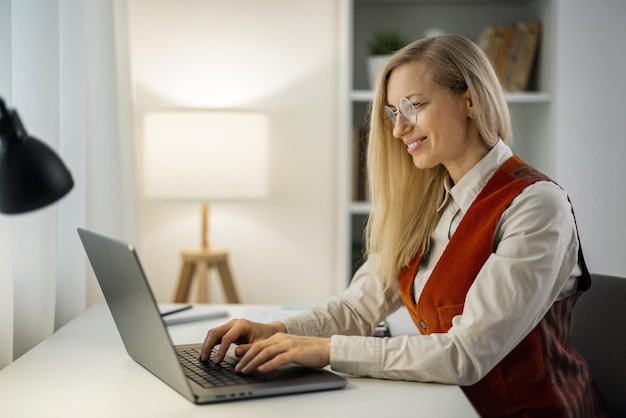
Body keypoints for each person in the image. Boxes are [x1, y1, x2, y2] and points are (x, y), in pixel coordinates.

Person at [200, 34, 608, 417]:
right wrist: (278, 330)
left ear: (470, 99)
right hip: (447, 407)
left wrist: (323, 350)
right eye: (394, 113)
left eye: (413, 106)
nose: (398, 129)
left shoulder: (535, 206)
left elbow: (463, 356)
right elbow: (358, 306)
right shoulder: (429, 203)